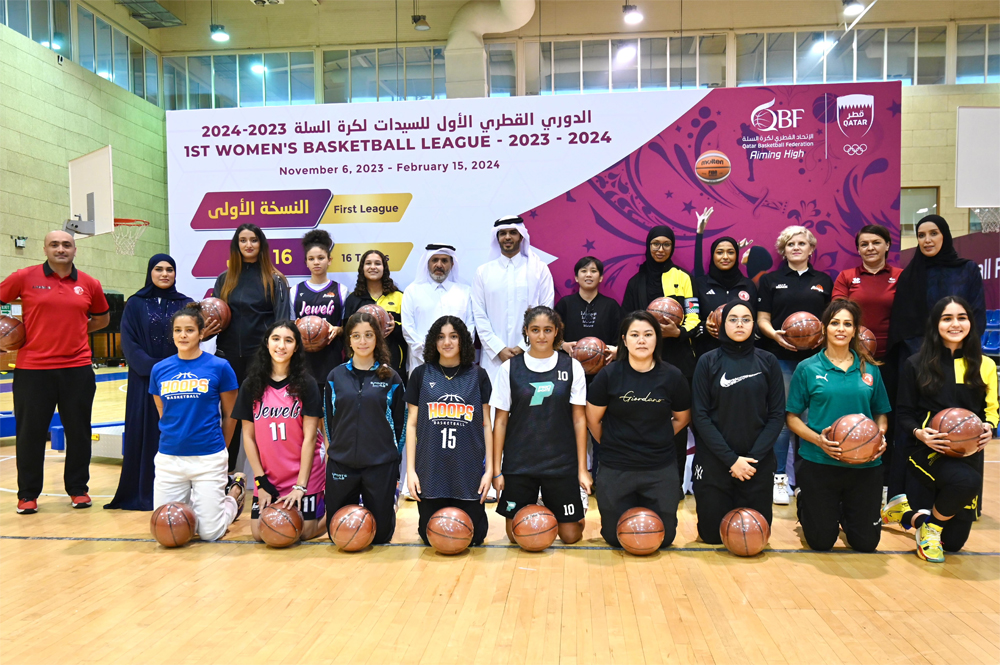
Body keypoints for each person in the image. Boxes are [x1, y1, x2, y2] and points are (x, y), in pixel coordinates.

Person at [1, 230, 110, 515]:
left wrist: (76, 330)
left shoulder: (89, 283)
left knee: (79, 432)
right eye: (54, 244)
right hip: (33, 370)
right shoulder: (24, 277)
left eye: (66, 245)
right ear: (45, 249)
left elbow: (102, 317)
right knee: (30, 434)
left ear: (75, 250)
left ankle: (78, 490)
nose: (60, 249)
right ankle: (27, 495)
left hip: (77, 369)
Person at [882, 297, 997, 563]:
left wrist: (990, 426)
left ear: (971, 322)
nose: (955, 324)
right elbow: (904, 413)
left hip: (969, 452)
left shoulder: (985, 365)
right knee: (965, 484)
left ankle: (906, 515)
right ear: (935, 324)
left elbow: (991, 410)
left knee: (954, 544)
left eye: (962, 317)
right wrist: (919, 433)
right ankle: (931, 527)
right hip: (928, 451)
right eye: (947, 318)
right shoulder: (915, 364)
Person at [785, 299, 890, 553]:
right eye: (834, 323)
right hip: (820, 461)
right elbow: (792, 418)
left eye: (847, 324)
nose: (841, 329)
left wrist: (880, 437)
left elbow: (881, 415)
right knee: (821, 542)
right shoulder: (807, 368)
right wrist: (819, 440)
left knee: (865, 544)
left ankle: (844, 511)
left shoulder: (870, 369)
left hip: (865, 465)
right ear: (824, 328)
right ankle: (806, 500)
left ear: (855, 330)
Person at [586, 311, 691, 549]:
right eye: (634, 335)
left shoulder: (673, 376)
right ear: (624, 340)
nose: (641, 340)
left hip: (659, 467)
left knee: (664, 538)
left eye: (648, 334)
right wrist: (613, 442)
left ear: (657, 339)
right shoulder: (608, 375)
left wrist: (660, 437)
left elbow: (683, 418)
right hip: (616, 467)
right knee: (615, 537)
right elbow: (593, 420)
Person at [491, 306, 590, 544]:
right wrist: (497, 470)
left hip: (560, 462)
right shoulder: (509, 368)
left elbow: (579, 419)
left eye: (547, 330)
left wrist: (582, 469)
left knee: (570, 536)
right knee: (516, 536)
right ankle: (540, 510)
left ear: (557, 332)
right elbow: (501, 421)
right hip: (520, 462)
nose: (541, 336)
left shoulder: (571, 366)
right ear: (526, 332)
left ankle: (554, 507)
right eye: (535, 330)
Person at [690, 301, 784, 544]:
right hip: (715, 462)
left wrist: (751, 460)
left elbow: (776, 415)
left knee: (754, 538)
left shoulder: (768, 361)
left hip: (756, 463)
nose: (739, 324)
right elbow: (699, 416)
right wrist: (731, 460)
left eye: (746, 319)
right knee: (712, 536)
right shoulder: (707, 361)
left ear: (754, 324)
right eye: (733, 319)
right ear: (723, 324)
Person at [150, 304, 246, 541]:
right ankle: (200, 503)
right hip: (170, 459)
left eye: (190, 330)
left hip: (208, 458)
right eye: (178, 330)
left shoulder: (220, 367)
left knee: (210, 534)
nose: (183, 335)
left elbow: (231, 415)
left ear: (202, 333)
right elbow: (163, 411)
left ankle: (233, 497)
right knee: (167, 529)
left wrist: (220, 448)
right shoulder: (159, 370)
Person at [106, 254, 192, 511]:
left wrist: (173, 370)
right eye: (158, 269)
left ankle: (179, 493)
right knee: (144, 432)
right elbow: (129, 343)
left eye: (169, 270)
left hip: (180, 382)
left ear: (175, 274)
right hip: (144, 380)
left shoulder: (186, 304)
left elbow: (191, 339)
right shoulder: (135, 303)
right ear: (150, 272)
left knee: (175, 432)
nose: (164, 274)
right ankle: (141, 492)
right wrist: (156, 369)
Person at [756, 225, 833, 504]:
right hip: (780, 358)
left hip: (815, 361)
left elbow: (831, 319)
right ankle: (779, 478)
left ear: (812, 249)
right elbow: (761, 318)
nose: (796, 247)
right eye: (790, 244)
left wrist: (822, 335)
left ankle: (805, 480)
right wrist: (774, 333)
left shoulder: (824, 279)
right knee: (784, 420)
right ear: (783, 250)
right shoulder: (771, 280)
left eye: (802, 243)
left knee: (812, 420)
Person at [620, 225, 700, 492]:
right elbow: (626, 321)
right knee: (643, 418)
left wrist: (679, 332)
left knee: (677, 423)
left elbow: (694, 313)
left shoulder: (683, 277)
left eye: (666, 244)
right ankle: (639, 481)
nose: (661, 249)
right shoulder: (636, 282)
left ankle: (674, 484)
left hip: (677, 360)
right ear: (648, 246)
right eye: (656, 244)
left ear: (672, 247)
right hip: (643, 361)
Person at [233, 320, 327, 542]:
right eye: (276, 339)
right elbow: (247, 436)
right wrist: (260, 483)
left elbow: (311, 438)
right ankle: (234, 494)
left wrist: (300, 487)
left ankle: (337, 505)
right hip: (270, 475)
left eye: (288, 340)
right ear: (267, 343)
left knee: (302, 532)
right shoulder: (251, 385)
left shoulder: (306, 384)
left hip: (303, 472)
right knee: (260, 534)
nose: (281, 345)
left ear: (296, 347)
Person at [405, 316, 493, 546]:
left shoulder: (478, 375)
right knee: (430, 536)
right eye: (441, 337)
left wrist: (490, 470)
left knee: (475, 536)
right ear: (433, 342)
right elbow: (412, 423)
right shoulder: (421, 374)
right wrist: (411, 471)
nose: (447, 342)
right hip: (431, 469)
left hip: (468, 469)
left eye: (453, 336)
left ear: (463, 341)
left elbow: (487, 425)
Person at [832, 224, 902, 504]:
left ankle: (884, 482)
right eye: (864, 244)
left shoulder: (900, 276)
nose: (870, 248)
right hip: (856, 361)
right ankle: (848, 472)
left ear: (887, 245)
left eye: (876, 243)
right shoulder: (847, 276)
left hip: (892, 359)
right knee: (854, 418)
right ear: (858, 248)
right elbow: (838, 313)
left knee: (888, 420)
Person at [212, 223, 290, 471]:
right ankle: (225, 476)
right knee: (231, 419)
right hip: (228, 358)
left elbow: (282, 324)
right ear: (236, 245)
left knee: (263, 420)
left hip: (261, 360)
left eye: (253, 240)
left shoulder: (275, 279)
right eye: (243, 240)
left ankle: (266, 480)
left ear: (261, 244)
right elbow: (215, 317)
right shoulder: (224, 279)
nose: (248, 245)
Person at [324, 311, 406, 545]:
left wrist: (392, 457)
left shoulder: (391, 378)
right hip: (342, 463)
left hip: (380, 465)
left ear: (377, 339)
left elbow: (401, 424)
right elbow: (329, 422)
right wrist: (336, 453)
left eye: (368, 335)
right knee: (337, 533)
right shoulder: (335, 376)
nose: (362, 341)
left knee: (380, 536)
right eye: (356, 336)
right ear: (348, 340)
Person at [888, 215, 987, 362]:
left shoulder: (967, 270)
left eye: (933, 233)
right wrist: (926, 355)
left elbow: (976, 316)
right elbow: (903, 326)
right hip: (919, 358)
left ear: (945, 236)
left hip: (960, 355)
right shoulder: (909, 276)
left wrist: (957, 351)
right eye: (921, 235)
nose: (927, 240)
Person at [472, 216, 555, 384]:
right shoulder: (483, 272)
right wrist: (499, 349)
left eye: (512, 232)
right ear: (497, 238)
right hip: (494, 358)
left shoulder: (539, 269)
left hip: (532, 353)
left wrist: (523, 347)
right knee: (494, 407)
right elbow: (479, 316)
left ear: (521, 236)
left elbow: (547, 313)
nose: (507, 237)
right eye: (502, 233)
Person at [401, 244, 476, 376]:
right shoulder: (412, 291)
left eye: (444, 261)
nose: (439, 265)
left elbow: (470, 327)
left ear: (452, 265)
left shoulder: (465, 292)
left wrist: (454, 353)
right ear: (427, 263)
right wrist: (429, 353)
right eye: (434, 260)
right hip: (422, 363)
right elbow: (408, 329)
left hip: (457, 364)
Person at [691, 209, 758, 356]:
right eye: (720, 252)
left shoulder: (748, 285)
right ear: (713, 255)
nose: (725, 257)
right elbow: (690, 319)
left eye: (731, 252)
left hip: (743, 355)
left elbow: (757, 323)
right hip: (707, 355)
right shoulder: (699, 284)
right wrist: (704, 327)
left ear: (737, 255)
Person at [292, 229, 347, 387]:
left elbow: (347, 327)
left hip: (331, 357)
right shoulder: (295, 291)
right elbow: (289, 325)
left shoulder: (341, 290)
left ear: (329, 260)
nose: (316, 262)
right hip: (303, 361)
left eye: (321, 258)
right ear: (306, 262)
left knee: (330, 408)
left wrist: (338, 330)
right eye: (311, 258)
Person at [343, 249, 408, 384]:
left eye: (377, 263)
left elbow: (409, 332)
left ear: (384, 268)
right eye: (368, 263)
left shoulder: (400, 297)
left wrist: (395, 328)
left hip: (394, 364)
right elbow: (346, 333)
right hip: (361, 366)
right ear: (362, 268)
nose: (373, 267)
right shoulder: (353, 299)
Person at [555, 256, 622, 358]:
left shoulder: (611, 306)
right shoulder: (565, 304)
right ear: (576, 277)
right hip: (569, 364)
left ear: (600, 278)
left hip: (604, 366)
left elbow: (621, 336)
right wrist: (563, 345)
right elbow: (552, 333)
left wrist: (616, 351)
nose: (589, 275)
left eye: (594, 271)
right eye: (584, 271)